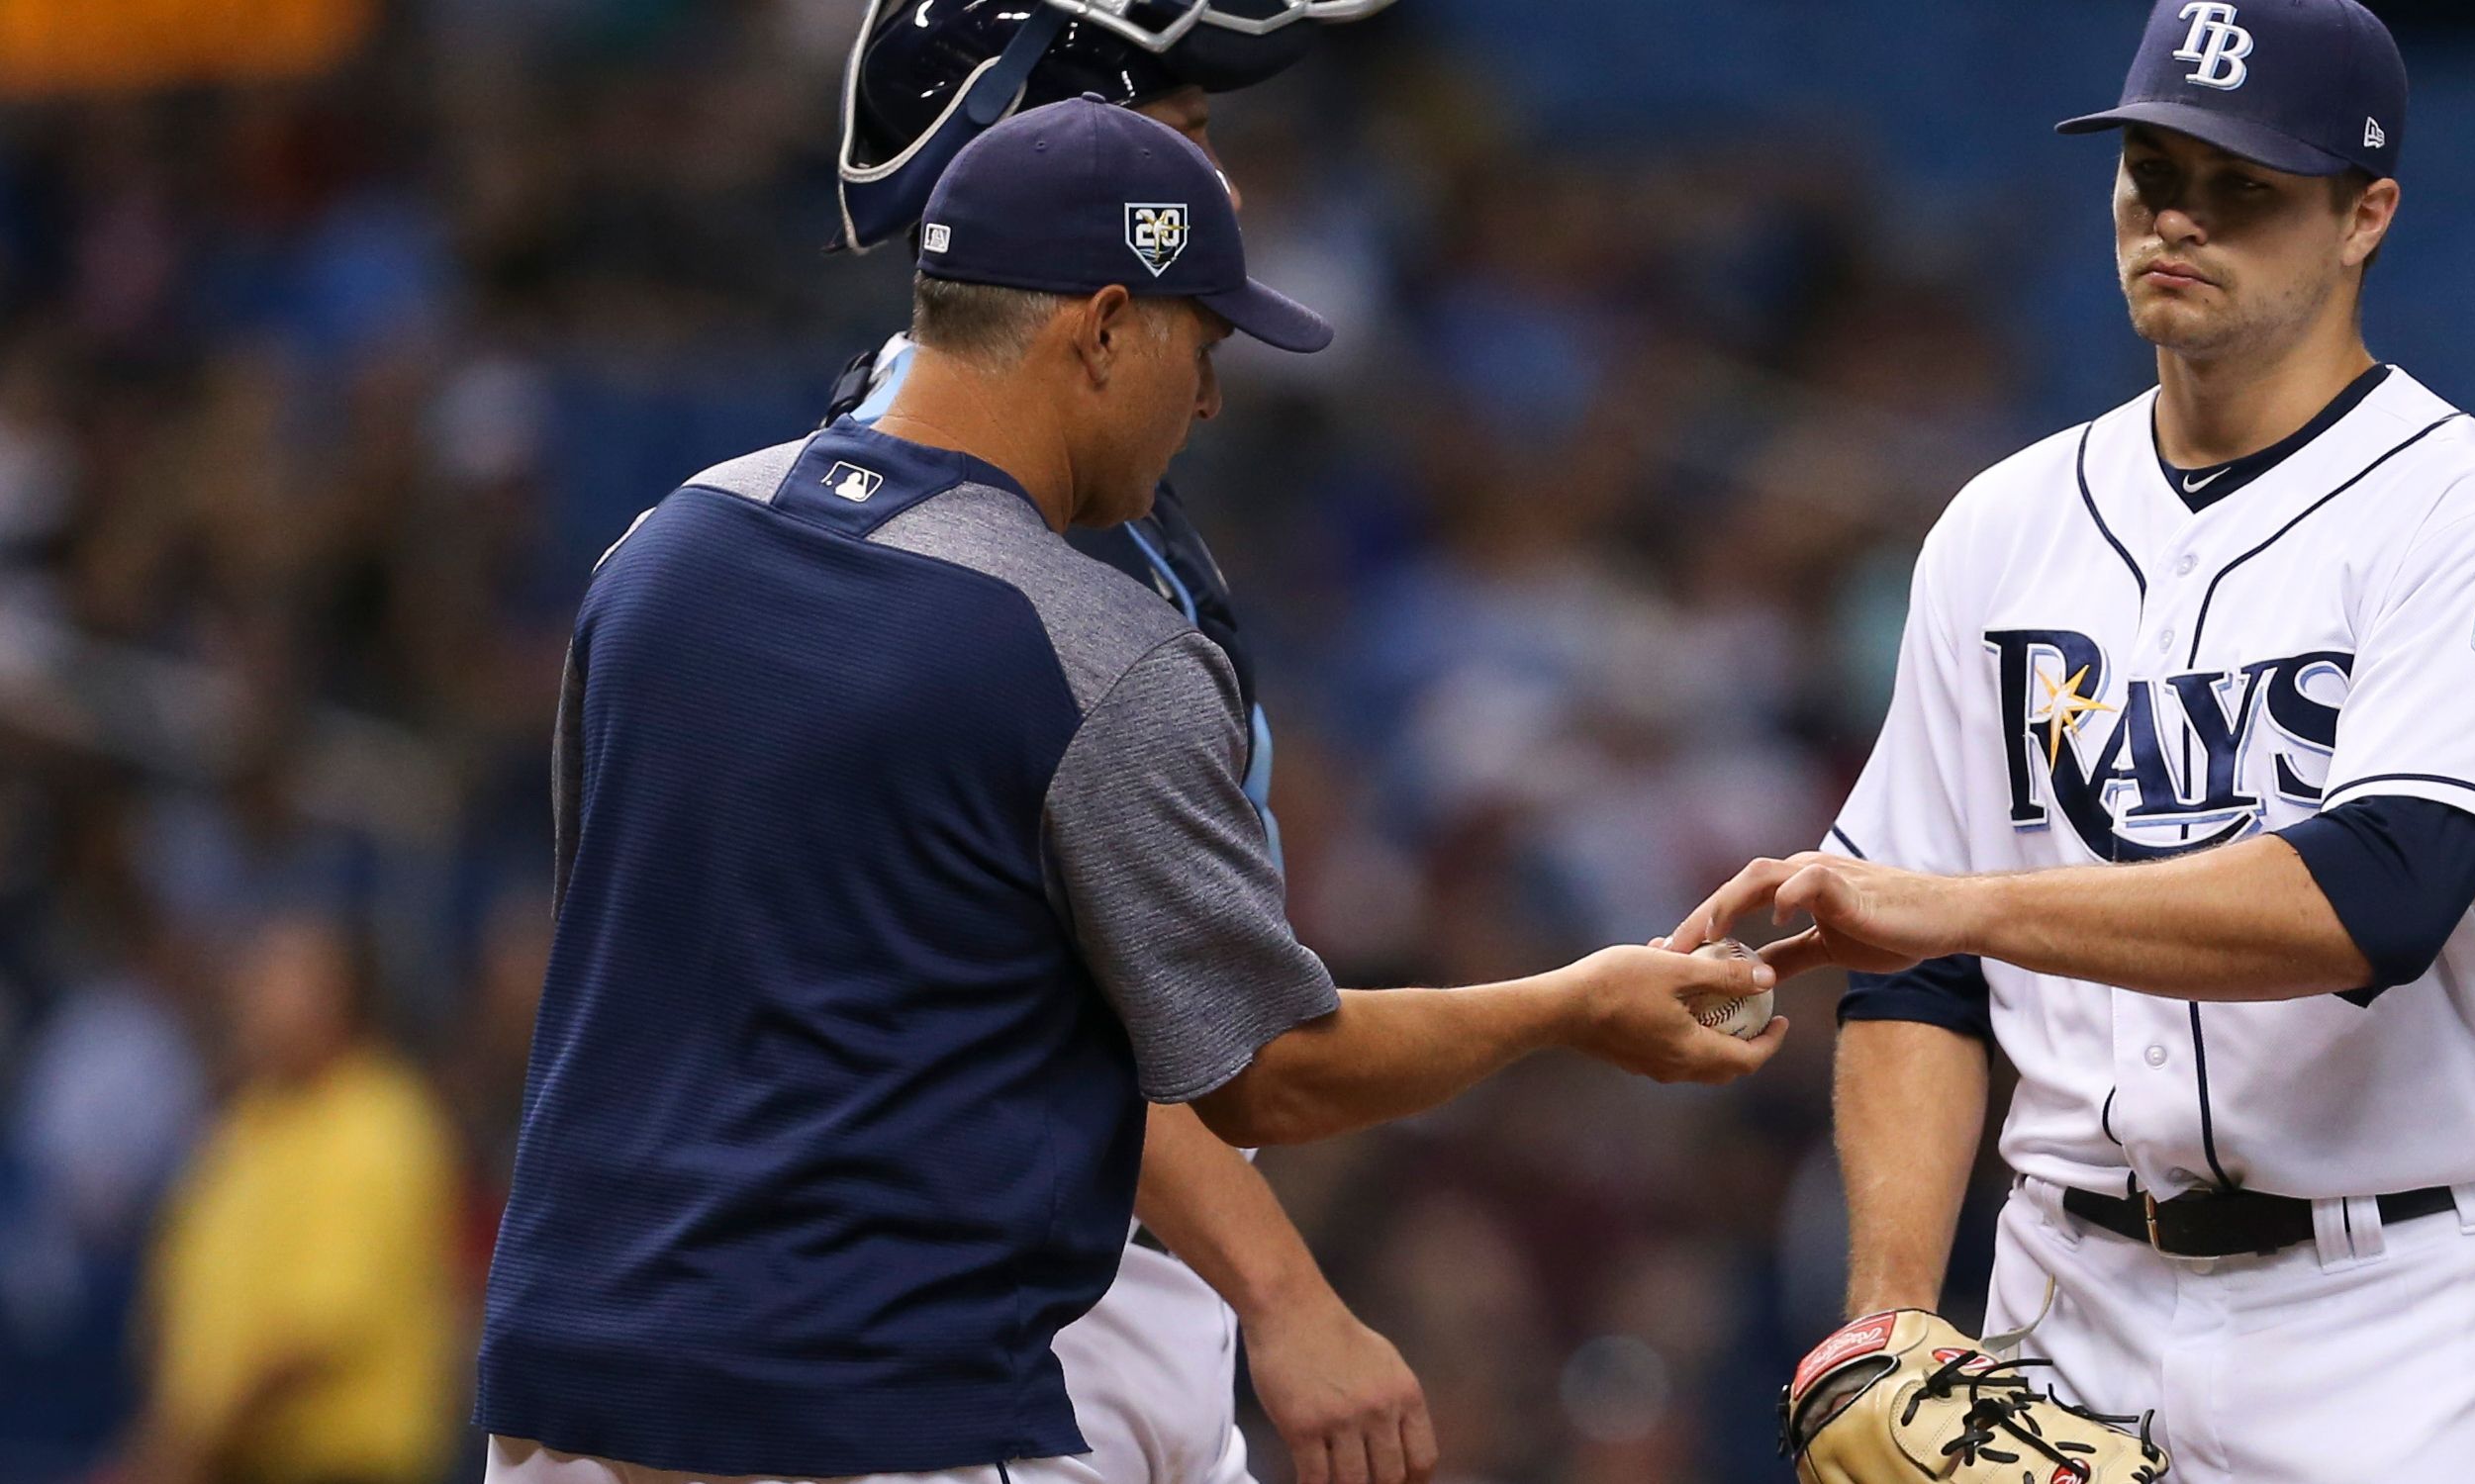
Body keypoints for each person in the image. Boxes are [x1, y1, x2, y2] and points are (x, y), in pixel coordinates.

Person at [478, 97, 1784, 1484]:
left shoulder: (659, 551)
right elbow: (1269, 1073)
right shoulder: (1089, 647)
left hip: (574, 1397)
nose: (1210, 398)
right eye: (1199, 342)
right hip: (858, 1408)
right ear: (1101, 329)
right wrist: (1571, 1003)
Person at [1672, 2, 2475, 1480]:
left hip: (2396, 1317)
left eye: (2240, 185)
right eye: (2150, 170)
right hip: (2063, 1300)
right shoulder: (1999, 526)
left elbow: (2375, 895)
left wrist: (1963, 904)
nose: (2176, 215)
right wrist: (1887, 1323)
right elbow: (1911, 969)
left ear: (2363, 215)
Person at [829, 7, 1436, 1483]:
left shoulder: (1078, 484)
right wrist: (1285, 1295)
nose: (1220, 190)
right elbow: (1044, 996)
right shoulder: (966, 527)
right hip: (1010, 1276)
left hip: (1125, 1259)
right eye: (1188, 135)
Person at [115, 913, 460, 1484]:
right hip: (231, 1460)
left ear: (340, 996)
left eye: (275, 979)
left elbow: (320, 1330)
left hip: (342, 1468)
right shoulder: (247, 1122)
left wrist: (188, 1447)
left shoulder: (380, 1120)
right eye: (250, 977)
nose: (250, 996)